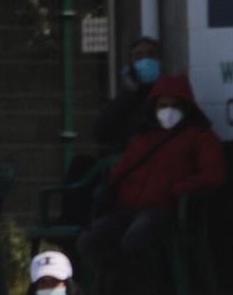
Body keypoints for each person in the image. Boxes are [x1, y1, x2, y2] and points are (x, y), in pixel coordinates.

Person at [81, 74, 226, 295]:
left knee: (135, 239)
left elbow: (215, 174)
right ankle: (122, 293)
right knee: (90, 240)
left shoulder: (200, 136)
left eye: (174, 105)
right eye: (162, 105)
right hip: (128, 208)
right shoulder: (143, 138)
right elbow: (121, 170)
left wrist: (180, 187)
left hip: (165, 209)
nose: (167, 111)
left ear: (186, 107)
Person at [69, 36, 163, 224]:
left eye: (151, 55)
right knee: (80, 166)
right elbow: (101, 131)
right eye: (138, 56)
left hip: (148, 167)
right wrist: (129, 93)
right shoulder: (126, 96)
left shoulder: (167, 95)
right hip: (119, 166)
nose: (145, 60)